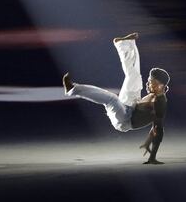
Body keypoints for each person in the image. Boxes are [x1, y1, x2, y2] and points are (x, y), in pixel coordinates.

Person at [62, 32, 170, 164]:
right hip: (132, 104)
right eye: (149, 80)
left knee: (111, 99)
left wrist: (152, 156)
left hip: (125, 120)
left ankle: (73, 89)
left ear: (160, 85)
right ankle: (123, 44)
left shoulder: (160, 104)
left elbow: (158, 129)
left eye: (151, 82)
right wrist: (147, 143)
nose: (148, 83)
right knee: (134, 76)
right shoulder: (155, 94)